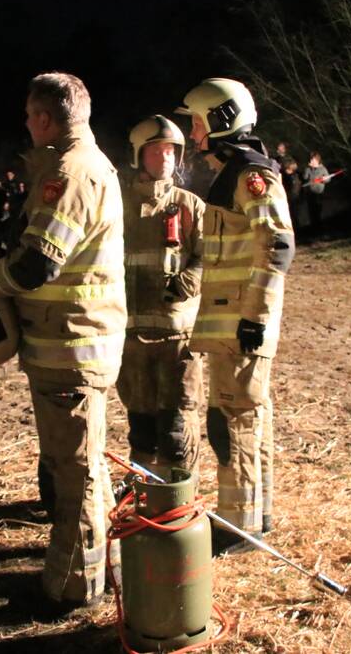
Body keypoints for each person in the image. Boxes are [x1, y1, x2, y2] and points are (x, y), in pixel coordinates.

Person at [0, 72, 125, 613]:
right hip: (75, 342)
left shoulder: (71, 171)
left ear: (44, 118)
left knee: (75, 473)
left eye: (28, 115)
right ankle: (104, 572)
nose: (26, 124)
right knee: (88, 465)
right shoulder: (84, 164)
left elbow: (39, 263)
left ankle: (72, 587)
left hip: (70, 346)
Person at [175, 78, 295, 553]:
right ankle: (255, 517)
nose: (195, 134)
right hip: (233, 325)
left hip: (242, 327)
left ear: (222, 120)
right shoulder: (236, 174)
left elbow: (278, 246)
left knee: (233, 425)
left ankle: (238, 527)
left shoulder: (250, 176)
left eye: (200, 123)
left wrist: (255, 318)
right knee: (248, 418)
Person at [117, 115, 205, 481]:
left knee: (176, 427)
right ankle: (145, 502)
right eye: (156, 150)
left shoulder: (190, 205)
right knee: (140, 427)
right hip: (131, 338)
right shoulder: (117, 205)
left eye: (171, 150)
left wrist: (188, 281)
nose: (165, 158)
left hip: (176, 338)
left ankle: (179, 507)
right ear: (140, 156)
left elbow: (208, 255)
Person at [301, 151, 329, 227]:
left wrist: (323, 179)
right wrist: (307, 169)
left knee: (318, 209)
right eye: (311, 160)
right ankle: (313, 225)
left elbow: (328, 179)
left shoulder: (323, 169)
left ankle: (319, 225)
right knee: (311, 209)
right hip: (310, 192)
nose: (312, 161)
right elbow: (305, 177)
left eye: (313, 160)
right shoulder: (308, 169)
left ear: (318, 160)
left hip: (319, 192)